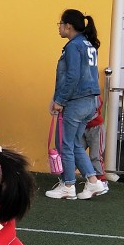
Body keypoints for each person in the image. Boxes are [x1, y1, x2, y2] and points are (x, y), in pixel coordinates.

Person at [45, 10, 109, 201]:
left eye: (60, 24)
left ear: (68, 26)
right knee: (74, 143)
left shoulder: (73, 46)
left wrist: (60, 100)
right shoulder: (88, 44)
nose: (59, 28)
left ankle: (68, 185)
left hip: (76, 101)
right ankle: (93, 181)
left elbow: (72, 76)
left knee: (64, 143)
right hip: (90, 101)